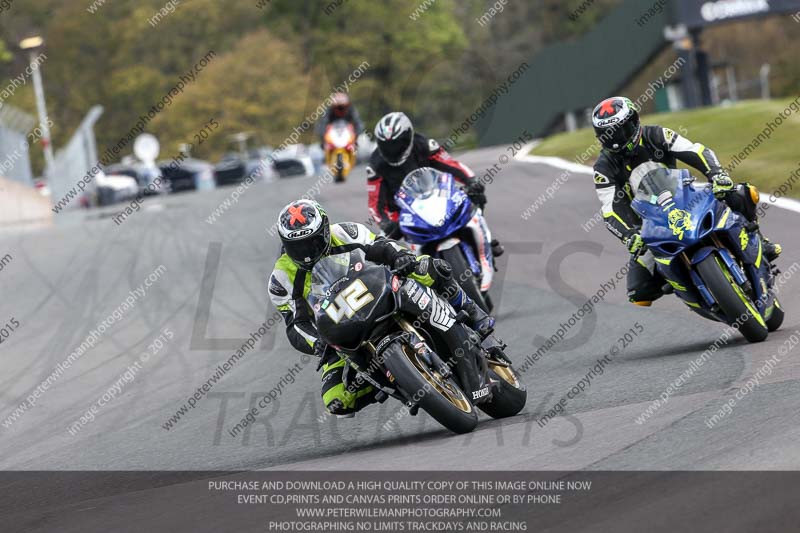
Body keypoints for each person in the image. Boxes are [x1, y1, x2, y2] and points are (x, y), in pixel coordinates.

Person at [268, 199, 495, 417]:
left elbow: (383, 245)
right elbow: (296, 325)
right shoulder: (281, 279)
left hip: (378, 289)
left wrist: (401, 257)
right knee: (335, 400)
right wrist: (317, 342)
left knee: (428, 267)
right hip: (339, 329)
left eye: (312, 242)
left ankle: (472, 311)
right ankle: (395, 380)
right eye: (297, 247)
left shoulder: (346, 232)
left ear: (325, 231)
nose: (307, 252)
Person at [590, 96, 781, 306]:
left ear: (634, 122)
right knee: (639, 293)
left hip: (684, 197)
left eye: (621, 131)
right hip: (649, 225)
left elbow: (695, 151)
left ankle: (759, 239)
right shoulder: (603, 168)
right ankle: (678, 279)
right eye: (609, 135)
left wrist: (717, 174)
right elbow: (610, 209)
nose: (616, 140)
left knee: (742, 193)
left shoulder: (656, 135)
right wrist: (629, 235)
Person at [367, 112, 503, 256]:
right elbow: (375, 203)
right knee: (384, 249)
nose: (392, 150)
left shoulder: (424, 145)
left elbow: (450, 164)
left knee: (474, 196)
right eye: (387, 146)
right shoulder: (375, 166)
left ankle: (486, 242)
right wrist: (385, 223)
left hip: (436, 194)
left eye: (397, 144)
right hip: (404, 213)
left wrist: (471, 180)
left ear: (409, 137)